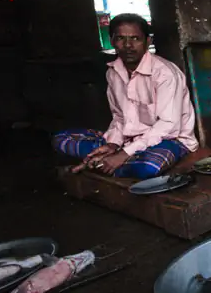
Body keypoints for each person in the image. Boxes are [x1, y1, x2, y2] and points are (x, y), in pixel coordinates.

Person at [52, 13, 199, 178]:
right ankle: (107, 162)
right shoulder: (113, 73)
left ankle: (98, 164)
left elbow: (168, 126)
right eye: (121, 38)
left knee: (149, 167)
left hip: (170, 140)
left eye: (135, 38)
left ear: (147, 42)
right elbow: (120, 118)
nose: (128, 45)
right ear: (113, 41)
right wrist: (113, 144)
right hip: (128, 140)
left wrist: (124, 154)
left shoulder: (165, 74)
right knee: (61, 139)